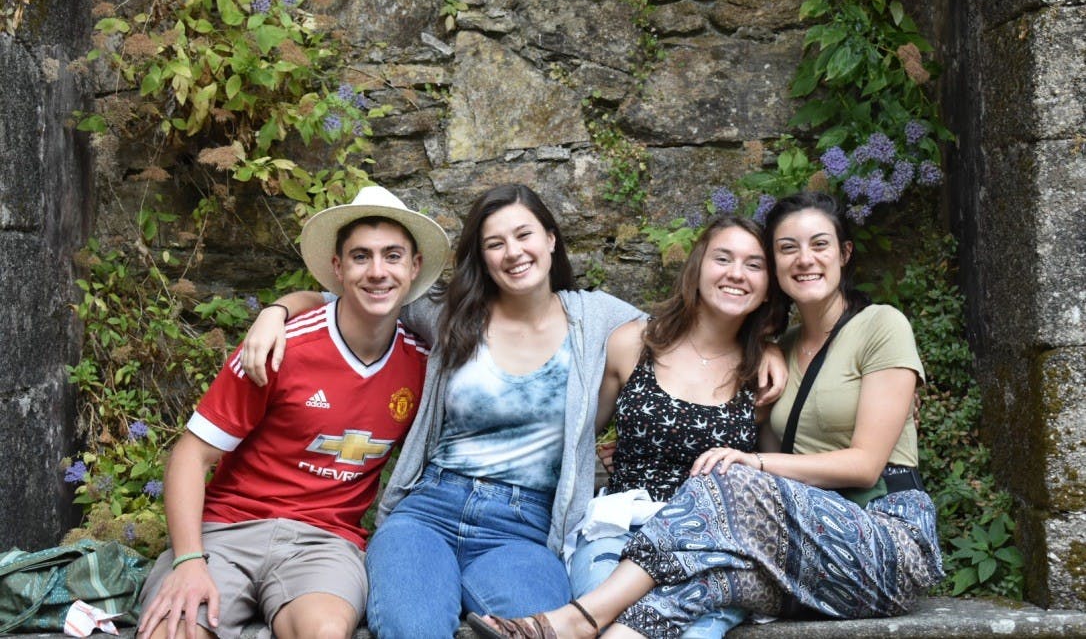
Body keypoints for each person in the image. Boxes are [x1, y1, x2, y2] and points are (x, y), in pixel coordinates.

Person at [239, 185, 787, 639]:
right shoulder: (452, 316)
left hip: (522, 529)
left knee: (540, 630)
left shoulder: (598, 320)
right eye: (494, 243)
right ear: (483, 256)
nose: (512, 252)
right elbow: (363, 294)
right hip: (427, 512)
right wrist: (275, 310)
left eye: (524, 235)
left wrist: (768, 346)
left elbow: (693, 331)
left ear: (550, 240)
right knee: (413, 629)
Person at [469, 190, 944, 639]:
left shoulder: (881, 324)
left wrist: (748, 463)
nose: (804, 258)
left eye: (820, 245)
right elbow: (572, 433)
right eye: (788, 248)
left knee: (726, 479)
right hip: (804, 541)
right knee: (690, 596)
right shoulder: (781, 352)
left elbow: (863, 465)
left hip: (884, 536)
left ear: (844, 253)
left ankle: (580, 619)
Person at [136, 185, 451, 639]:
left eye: (393, 256)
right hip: (228, 530)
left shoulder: (421, 365)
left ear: (414, 267)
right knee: (175, 630)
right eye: (361, 257)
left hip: (324, 543)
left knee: (323, 633)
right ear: (337, 269)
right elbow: (191, 456)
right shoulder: (280, 347)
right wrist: (188, 561)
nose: (378, 271)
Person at [570, 215, 779, 639]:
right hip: (620, 529)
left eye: (754, 265)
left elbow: (771, 472)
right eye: (724, 258)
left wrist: (773, 346)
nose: (737, 273)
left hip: (710, 549)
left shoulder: (763, 373)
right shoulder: (633, 343)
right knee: (608, 617)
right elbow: (576, 438)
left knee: (695, 631)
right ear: (698, 266)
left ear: (768, 288)